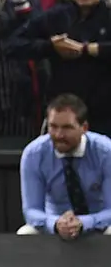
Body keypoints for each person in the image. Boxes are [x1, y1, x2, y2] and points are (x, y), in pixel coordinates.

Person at [18, 94, 111, 237]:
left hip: (97, 222)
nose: (59, 134)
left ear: (84, 127)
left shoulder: (106, 152)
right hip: (55, 223)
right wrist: (55, 223)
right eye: (53, 127)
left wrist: (83, 222)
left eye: (67, 127)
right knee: (25, 233)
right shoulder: (33, 154)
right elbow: (31, 210)